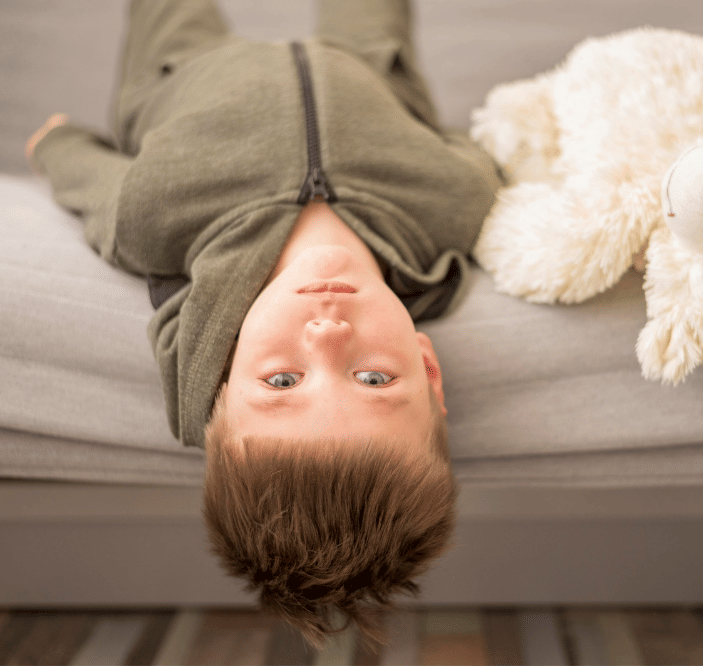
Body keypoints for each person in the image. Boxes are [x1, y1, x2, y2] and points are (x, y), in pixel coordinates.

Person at [26, 0, 502, 647]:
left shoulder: (156, 213)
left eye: (281, 382)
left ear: (223, 375)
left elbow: (94, 186)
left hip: (183, 72)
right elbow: (477, 154)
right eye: (372, 378)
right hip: (368, 70)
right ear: (428, 368)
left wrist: (57, 143)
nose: (327, 336)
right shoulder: (455, 208)